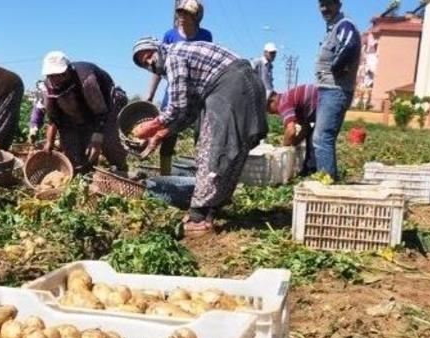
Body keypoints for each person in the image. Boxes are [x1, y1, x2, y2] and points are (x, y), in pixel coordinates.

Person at [131, 37, 267, 234]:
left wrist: (151, 125)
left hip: (231, 85)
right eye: (144, 64)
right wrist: (160, 134)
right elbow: (188, 112)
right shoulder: (180, 60)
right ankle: (209, 211)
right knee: (230, 153)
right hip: (244, 85)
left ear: (157, 48)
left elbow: (177, 106)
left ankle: (198, 216)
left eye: (149, 56)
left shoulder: (173, 57)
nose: (150, 63)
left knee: (213, 151)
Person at [145, 0, 213, 175]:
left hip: (198, 93)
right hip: (175, 91)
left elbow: (208, 63)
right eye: (180, 13)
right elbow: (159, 68)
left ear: (196, 16)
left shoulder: (205, 36)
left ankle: (201, 174)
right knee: (167, 132)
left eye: (187, 13)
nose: (182, 17)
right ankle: (165, 176)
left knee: (201, 132)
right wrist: (150, 94)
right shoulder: (170, 36)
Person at [38, 51, 128, 173]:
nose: (55, 78)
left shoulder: (86, 79)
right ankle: (83, 173)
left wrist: (96, 139)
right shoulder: (48, 87)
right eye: (51, 75)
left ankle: (121, 169)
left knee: (108, 141)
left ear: (68, 70)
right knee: (72, 150)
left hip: (104, 106)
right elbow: (53, 118)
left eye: (59, 74)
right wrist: (49, 142)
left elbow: (101, 112)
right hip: (75, 113)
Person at [314, 0, 360, 179]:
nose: (324, 8)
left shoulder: (344, 25)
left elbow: (350, 46)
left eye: (329, 4)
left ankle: (328, 181)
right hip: (329, 90)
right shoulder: (333, 28)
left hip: (335, 90)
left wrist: (336, 67)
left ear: (339, 5)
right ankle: (327, 178)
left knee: (322, 137)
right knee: (322, 137)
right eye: (321, 5)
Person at [267, 84, 319, 174]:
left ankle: (314, 170)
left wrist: (285, 146)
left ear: (272, 102)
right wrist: (295, 142)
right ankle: (310, 169)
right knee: (311, 132)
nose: (270, 113)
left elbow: (291, 131)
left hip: (323, 101)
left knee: (314, 139)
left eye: (268, 109)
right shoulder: (288, 100)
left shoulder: (283, 103)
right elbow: (307, 127)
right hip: (318, 106)